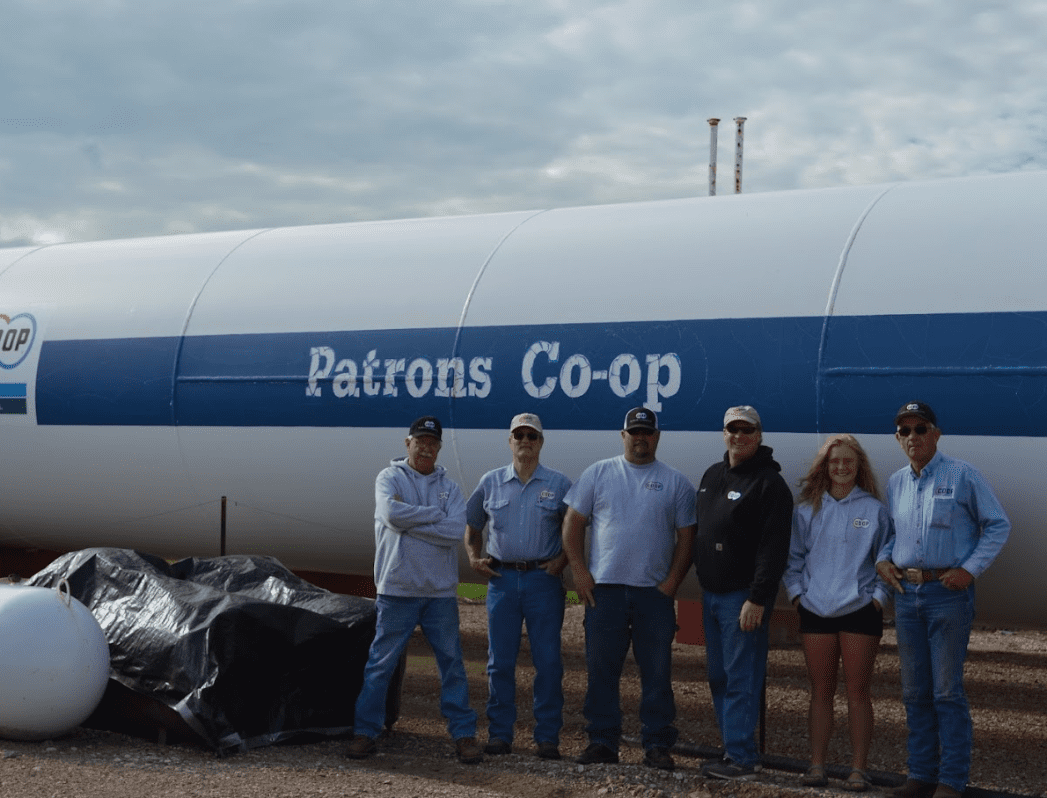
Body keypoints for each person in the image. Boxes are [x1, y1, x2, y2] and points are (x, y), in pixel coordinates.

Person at [876, 401, 1010, 798]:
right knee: (915, 691)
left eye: (921, 429)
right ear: (897, 439)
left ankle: (951, 781)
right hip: (907, 596)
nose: (913, 437)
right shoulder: (897, 481)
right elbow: (893, 533)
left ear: (936, 433)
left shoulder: (962, 474)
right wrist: (884, 559)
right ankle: (920, 776)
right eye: (905, 431)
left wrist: (970, 569)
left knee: (947, 692)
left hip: (947, 596)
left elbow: (997, 525)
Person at [562, 407, 696, 771]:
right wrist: (579, 570)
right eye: (634, 432)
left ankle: (656, 745)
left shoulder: (675, 482)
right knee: (602, 670)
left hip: (653, 596)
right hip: (604, 592)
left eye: (647, 432)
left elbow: (687, 538)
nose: (641, 438)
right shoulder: (599, 473)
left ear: (657, 436)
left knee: (657, 673)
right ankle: (603, 742)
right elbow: (573, 522)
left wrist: (671, 583)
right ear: (623, 435)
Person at [347, 416, 482, 765]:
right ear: (407, 443)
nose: (426, 447)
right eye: (420, 441)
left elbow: (455, 531)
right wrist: (432, 515)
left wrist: (412, 524)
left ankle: (464, 734)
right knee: (381, 664)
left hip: (439, 593)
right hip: (397, 590)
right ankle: (366, 731)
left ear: (438, 448)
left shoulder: (450, 488)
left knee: (452, 665)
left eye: (432, 443)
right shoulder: (389, 478)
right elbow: (391, 515)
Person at [783, 434, 894, 792]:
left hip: (860, 611)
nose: (842, 467)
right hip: (816, 610)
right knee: (820, 692)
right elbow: (794, 559)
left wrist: (878, 597)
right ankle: (817, 766)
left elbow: (887, 557)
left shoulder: (874, 510)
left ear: (858, 466)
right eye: (835, 462)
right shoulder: (806, 510)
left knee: (858, 693)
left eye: (848, 461)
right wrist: (798, 596)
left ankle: (858, 770)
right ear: (825, 467)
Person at [692, 405, 793, 780]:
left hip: (742, 599)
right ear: (723, 434)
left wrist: (759, 597)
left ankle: (743, 759)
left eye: (746, 430)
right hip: (712, 596)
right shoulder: (712, 474)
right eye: (732, 429)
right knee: (719, 677)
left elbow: (774, 548)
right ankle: (732, 748)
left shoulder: (769, 484)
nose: (739, 436)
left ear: (759, 435)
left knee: (741, 678)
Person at [464, 412, 572, 760]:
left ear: (541, 442)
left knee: (549, 662)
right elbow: (473, 525)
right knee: (500, 663)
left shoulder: (560, 485)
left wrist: (563, 561)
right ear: (509, 441)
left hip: (543, 581)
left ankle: (547, 738)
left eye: (532, 436)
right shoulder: (491, 482)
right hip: (502, 582)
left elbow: (575, 528)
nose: (525, 441)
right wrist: (472, 556)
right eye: (519, 435)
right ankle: (499, 735)